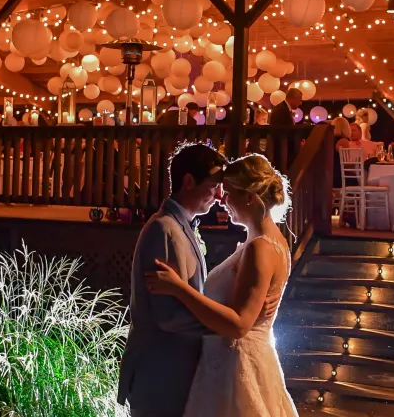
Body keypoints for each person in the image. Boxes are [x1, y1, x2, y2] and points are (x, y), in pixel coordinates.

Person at [117, 144, 278, 417]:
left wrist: (240, 315)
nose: (219, 196)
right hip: (162, 373)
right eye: (215, 185)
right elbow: (168, 317)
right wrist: (234, 327)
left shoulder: (184, 226)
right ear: (189, 181)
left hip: (180, 371)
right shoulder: (164, 229)